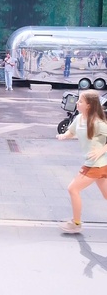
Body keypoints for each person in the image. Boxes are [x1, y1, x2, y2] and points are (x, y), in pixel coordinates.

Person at [57, 90, 107, 234]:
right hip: (99, 165)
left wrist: (101, 151)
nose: (77, 103)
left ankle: (76, 223)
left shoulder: (98, 123)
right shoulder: (79, 118)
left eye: (80, 101)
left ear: (89, 105)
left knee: (73, 189)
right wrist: (64, 136)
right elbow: (71, 132)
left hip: (96, 165)